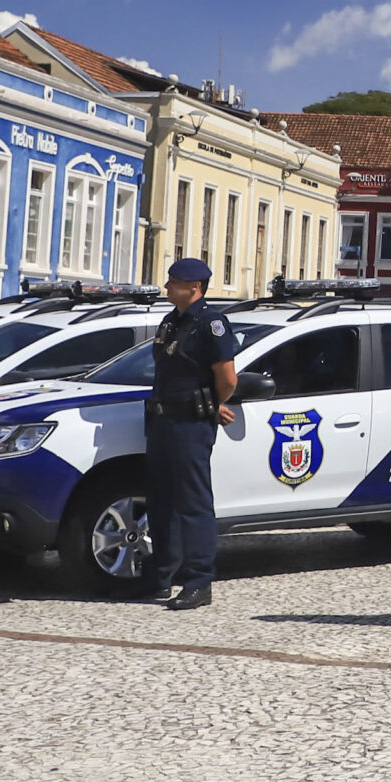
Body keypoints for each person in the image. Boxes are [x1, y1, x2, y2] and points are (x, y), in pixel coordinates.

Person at [148, 257, 239, 611]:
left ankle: (199, 581)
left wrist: (213, 402)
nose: (167, 286)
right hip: (161, 419)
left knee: (192, 503)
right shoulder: (172, 321)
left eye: (173, 281)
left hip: (191, 422)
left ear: (194, 287)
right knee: (161, 501)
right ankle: (159, 577)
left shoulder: (210, 324)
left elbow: (227, 378)